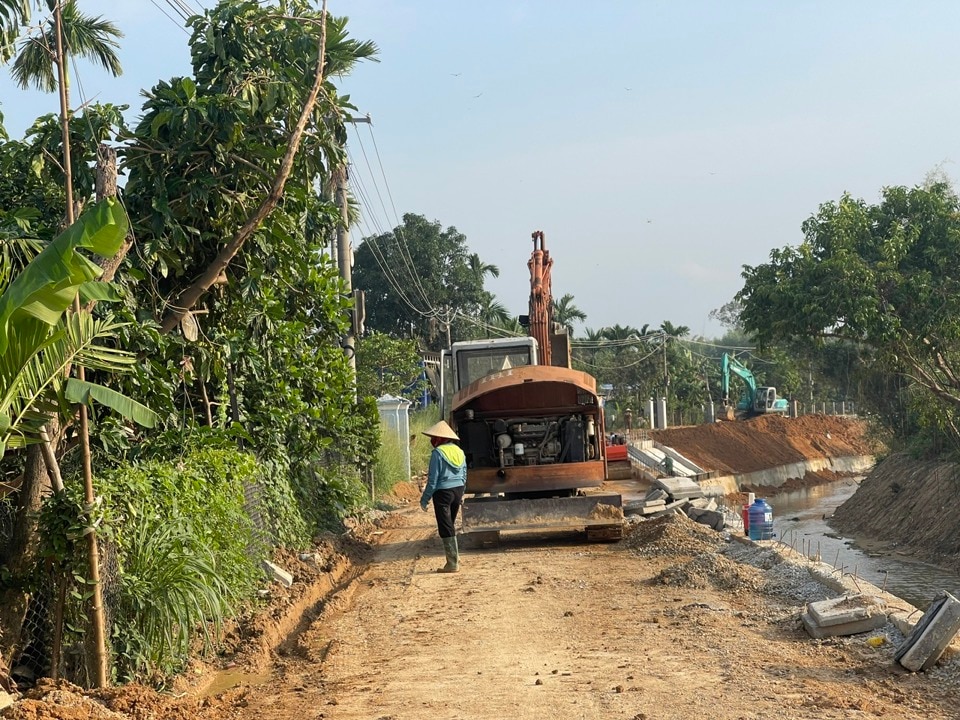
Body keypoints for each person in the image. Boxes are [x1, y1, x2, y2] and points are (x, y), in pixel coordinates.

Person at [419, 420, 467, 573]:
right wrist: (462, 491)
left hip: (443, 493)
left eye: (433, 438)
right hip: (458, 489)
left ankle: (452, 563)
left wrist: (425, 498)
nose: (432, 441)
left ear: (439, 439)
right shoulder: (459, 451)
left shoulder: (437, 454)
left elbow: (433, 480)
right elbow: (464, 474)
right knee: (450, 524)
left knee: (445, 527)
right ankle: (455, 558)